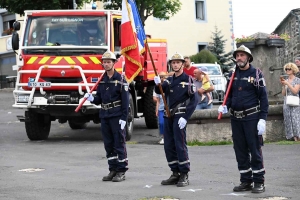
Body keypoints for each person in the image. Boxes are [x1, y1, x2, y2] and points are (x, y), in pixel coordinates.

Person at [218, 45, 269, 193]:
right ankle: (246, 180)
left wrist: (263, 119)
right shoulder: (233, 75)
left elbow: (263, 99)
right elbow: (229, 95)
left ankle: (259, 181)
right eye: (237, 55)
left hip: (252, 117)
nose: (239, 58)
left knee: (254, 149)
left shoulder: (256, 74)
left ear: (248, 57)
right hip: (236, 118)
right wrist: (225, 106)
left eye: (242, 55)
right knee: (239, 150)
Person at [154, 52, 198, 187]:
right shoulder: (169, 80)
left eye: (178, 62)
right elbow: (160, 90)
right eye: (173, 63)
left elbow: (194, 100)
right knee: (169, 145)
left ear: (182, 64)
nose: (175, 65)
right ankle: (175, 172)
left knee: (180, 144)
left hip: (180, 116)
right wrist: (157, 84)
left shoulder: (188, 79)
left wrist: (186, 117)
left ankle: (184, 173)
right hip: (168, 116)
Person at [84, 50, 129, 182]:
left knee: (119, 143)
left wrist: (124, 118)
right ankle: (113, 169)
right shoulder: (102, 80)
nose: (106, 64)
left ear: (114, 63)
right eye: (104, 62)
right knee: (108, 144)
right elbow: (99, 99)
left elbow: (125, 102)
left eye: (109, 62)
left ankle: (121, 170)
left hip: (116, 115)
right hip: (105, 115)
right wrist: (92, 98)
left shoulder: (120, 80)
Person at [280, 63, 300, 141]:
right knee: (288, 119)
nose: (287, 70)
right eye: (286, 69)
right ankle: (291, 136)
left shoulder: (297, 80)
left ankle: (297, 136)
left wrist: (288, 84)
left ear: (293, 70)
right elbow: (283, 94)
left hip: (294, 101)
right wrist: (284, 86)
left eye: (289, 69)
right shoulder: (286, 80)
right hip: (287, 101)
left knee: (295, 119)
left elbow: (295, 91)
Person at [153, 71, 168, 145]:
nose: (162, 78)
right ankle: (163, 137)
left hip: (168, 108)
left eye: (163, 77)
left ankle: (168, 137)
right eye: (160, 77)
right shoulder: (158, 87)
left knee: (168, 123)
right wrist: (157, 110)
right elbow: (157, 100)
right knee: (161, 123)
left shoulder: (168, 84)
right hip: (161, 108)